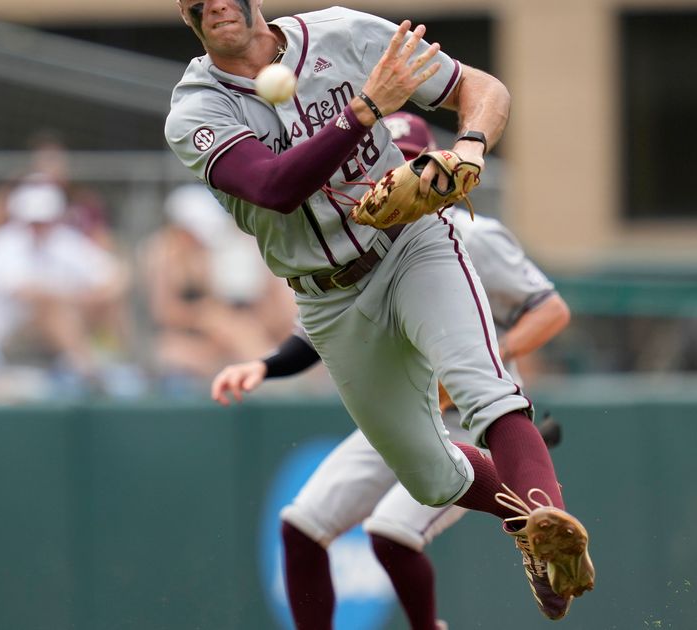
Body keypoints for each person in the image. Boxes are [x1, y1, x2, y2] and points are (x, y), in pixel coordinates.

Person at [164, 0, 595, 623]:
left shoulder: (344, 32)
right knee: (430, 478)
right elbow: (274, 188)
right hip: (329, 294)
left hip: (411, 242)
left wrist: (471, 144)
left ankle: (553, 539)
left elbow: (481, 87)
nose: (214, 3)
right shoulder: (196, 106)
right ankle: (530, 519)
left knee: (487, 391)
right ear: (186, 13)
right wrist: (364, 109)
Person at [210, 112, 573, 627]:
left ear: (434, 167)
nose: (397, 179)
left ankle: (538, 523)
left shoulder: (472, 232)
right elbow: (316, 331)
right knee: (301, 525)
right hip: (404, 405)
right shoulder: (353, 236)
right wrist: (263, 366)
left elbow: (551, 310)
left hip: (466, 414)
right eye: (390, 164)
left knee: (393, 534)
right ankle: (532, 519)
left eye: (410, 165)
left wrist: (493, 351)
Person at [0, 182, 128, 391]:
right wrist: (78, 297)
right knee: (51, 309)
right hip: (3, 336)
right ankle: (89, 372)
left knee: (110, 305)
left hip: (60, 325)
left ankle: (128, 365)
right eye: (33, 221)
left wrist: (93, 298)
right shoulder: (1, 245)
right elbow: (26, 293)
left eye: (44, 220)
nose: (38, 227)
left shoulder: (66, 242)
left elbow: (117, 276)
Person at [139, 184, 295, 392]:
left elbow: (237, 299)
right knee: (225, 325)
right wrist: (204, 315)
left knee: (248, 324)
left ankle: (275, 377)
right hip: (177, 340)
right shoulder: (161, 256)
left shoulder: (208, 252)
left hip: (216, 336)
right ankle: (274, 381)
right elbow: (164, 313)